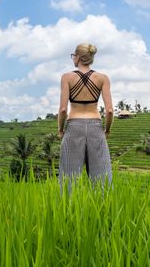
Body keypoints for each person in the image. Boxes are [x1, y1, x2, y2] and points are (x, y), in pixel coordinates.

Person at [57, 43, 113, 194]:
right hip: (96, 126)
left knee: (68, 178)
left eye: (73, 56)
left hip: (73, 125)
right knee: (102, 179)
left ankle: (67, 211)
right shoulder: (103, 78)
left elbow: (63, 109)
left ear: (78, 57)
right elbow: (109, 111)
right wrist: (107, 131)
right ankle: (104, 211)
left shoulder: (67, 77)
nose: (73, 58)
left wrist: (61, 130)